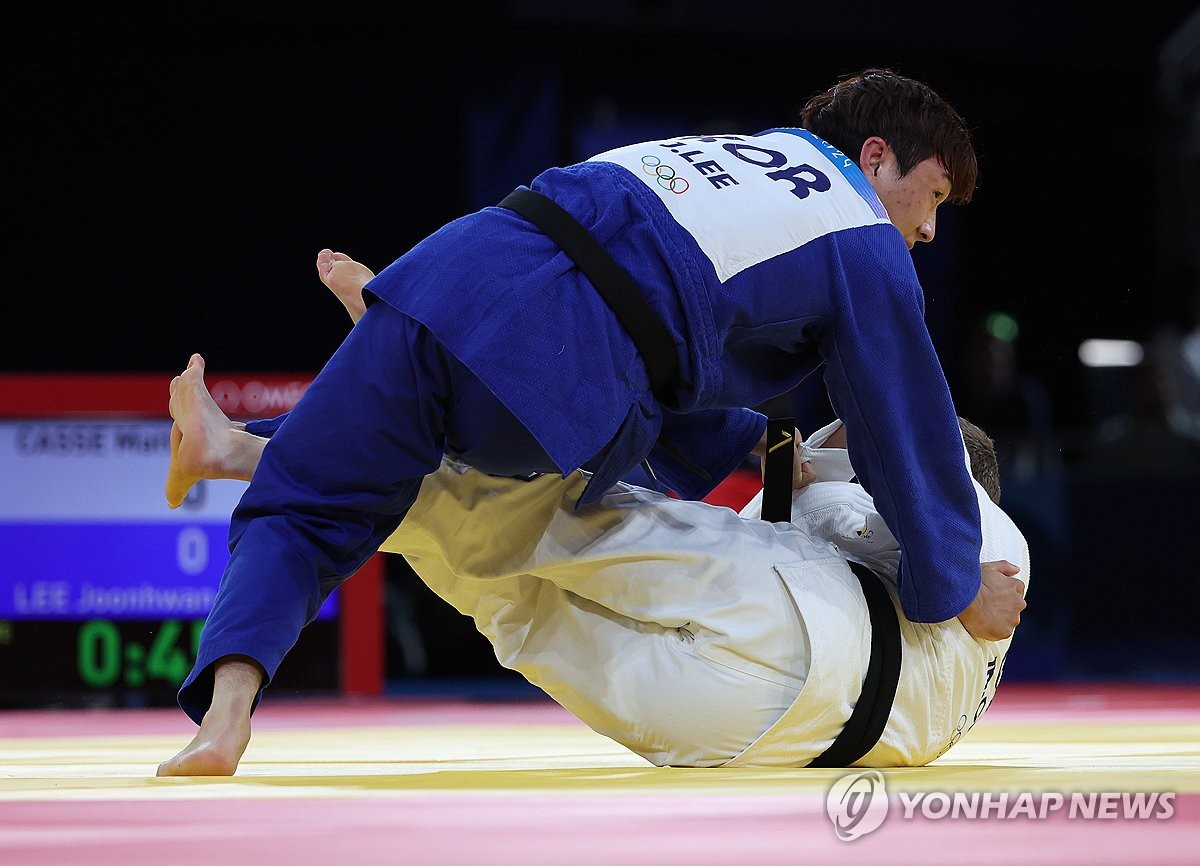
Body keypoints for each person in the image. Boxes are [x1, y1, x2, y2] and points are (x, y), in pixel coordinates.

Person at [162, 67, 1027, 768]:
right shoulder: (860, 235)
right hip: (568, 359)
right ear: (876, 160)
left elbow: (674, 355)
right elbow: (901, 423)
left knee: (308, 500)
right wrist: (952, 587)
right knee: (541, 516)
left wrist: (763, 446)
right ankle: (256, 449)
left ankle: (226, 710)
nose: (929, 231)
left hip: (462, 264)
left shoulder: (731, 157)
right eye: (935, 197)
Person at [157, 358, 1026, 773]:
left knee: (552, 520)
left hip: (807, 627)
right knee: (512, 607)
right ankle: (371, 430)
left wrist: (850, 460)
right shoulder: (965, 682)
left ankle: (259, 446)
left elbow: (939, 534)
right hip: (750, 738)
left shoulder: (964, 507)